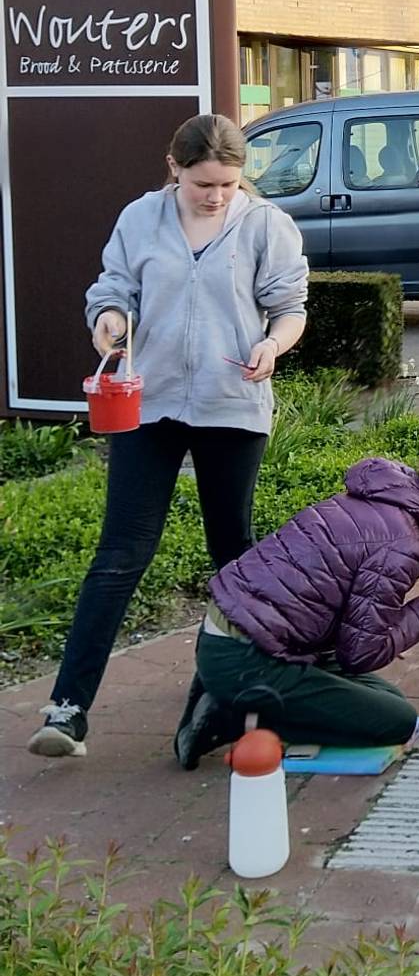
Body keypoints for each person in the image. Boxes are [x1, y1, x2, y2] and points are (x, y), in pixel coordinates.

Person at [29, 114, 309, 761]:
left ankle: (233, 694)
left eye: (228, 184)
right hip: (146, 405)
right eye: (202, 183)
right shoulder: (139, 219)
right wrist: (108, 322)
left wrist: (272, 345)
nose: (215, 195)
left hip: (231, 404)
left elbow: (290, 307)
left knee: (232, 555)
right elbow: (114, 288)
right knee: (120, 553)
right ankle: (67, 710)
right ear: (174, 167)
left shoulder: (266, 225)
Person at [175, 425, 419, 767]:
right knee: (396, 721)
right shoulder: (405, 545)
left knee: (384, 697)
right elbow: (360, 655)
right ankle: (231, 713)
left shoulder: (383, 499)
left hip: (237, 632)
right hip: (246, 656)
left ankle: (235, 694)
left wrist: (391, 626)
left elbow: (336, 602)